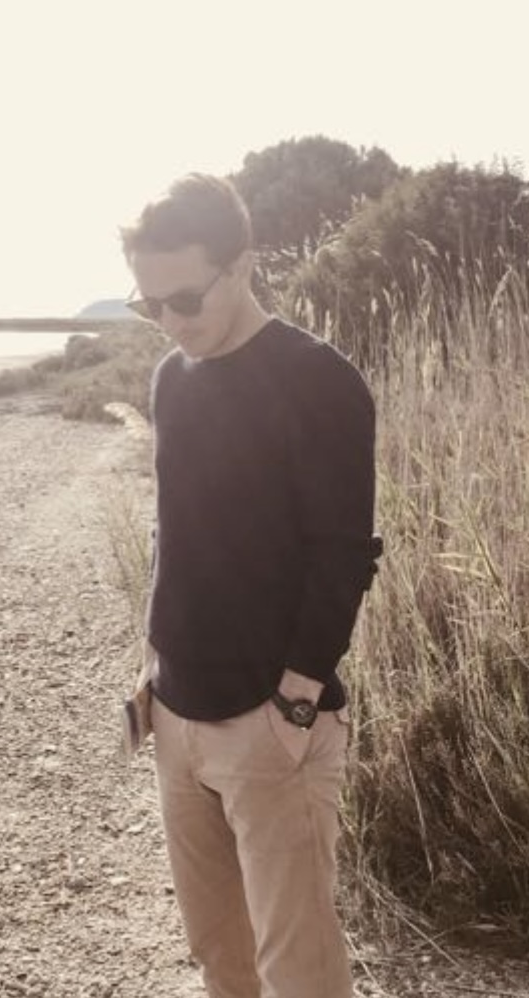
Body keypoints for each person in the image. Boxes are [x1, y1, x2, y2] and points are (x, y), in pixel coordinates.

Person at [120, 173, 379, 998]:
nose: (170, 322)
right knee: (219, 960)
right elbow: (176, 531)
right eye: (150, 305)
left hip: (271, 727)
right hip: (177, 716)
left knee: (298, 972)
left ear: (241, 267)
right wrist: (153, 664)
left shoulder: (319, 382)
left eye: (185, 299)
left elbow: (343, 556)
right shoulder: (171, 379)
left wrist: (295, 702)